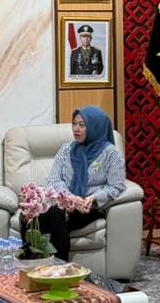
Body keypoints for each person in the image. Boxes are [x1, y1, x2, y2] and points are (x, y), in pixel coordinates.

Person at [38, 106, 126, 260]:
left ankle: (57, 266)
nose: (76, 129)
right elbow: (53, 180)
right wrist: (70, 198)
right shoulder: (66, 149)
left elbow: (116, 186)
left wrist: (94, 198)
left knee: (53, 215)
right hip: (65, 203)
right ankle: (39, 265)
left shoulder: (111, 153)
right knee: (36, 216)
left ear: (95, 127)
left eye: (82, 125)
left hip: (88, 207)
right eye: (74, 124)